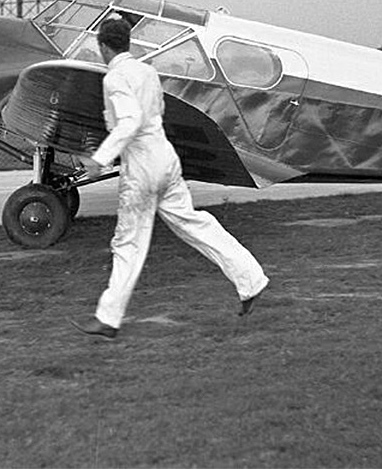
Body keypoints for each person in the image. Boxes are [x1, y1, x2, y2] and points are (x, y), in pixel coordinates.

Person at [71, 17, 269, 340]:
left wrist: (99, 159)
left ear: (103, 46)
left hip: (142, 166)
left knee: (128, 242)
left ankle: (108, 318)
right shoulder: (147, 72)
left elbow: (130, 120)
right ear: (128, 42)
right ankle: (251, 279)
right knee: (193, 222)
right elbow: (157, 112)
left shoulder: (114, 78)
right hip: (166, 158)